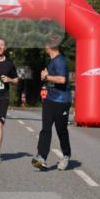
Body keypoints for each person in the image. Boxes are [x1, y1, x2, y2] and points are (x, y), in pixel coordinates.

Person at [32, 35, 72, 171]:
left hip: (61, 101)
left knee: (61, 130)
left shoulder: (60, 61)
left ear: (49, 47)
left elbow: (62, 80)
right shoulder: (52, 61)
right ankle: (41, 157)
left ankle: (66, 155)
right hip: (50, 100)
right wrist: (46, 77)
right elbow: (52, 79)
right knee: (46, 129)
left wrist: (47, 76)